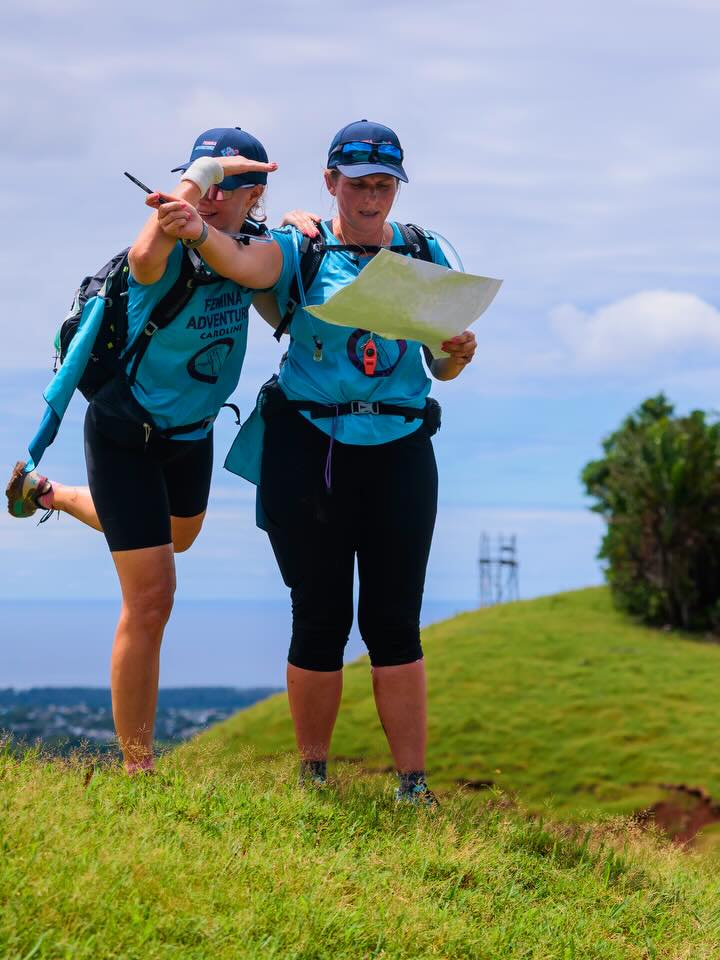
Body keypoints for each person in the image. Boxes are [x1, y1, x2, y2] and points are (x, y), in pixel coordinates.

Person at [4, 128, 278, 773]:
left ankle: (50, 494)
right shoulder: (160, 247)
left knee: (178, 538)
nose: (208, 199)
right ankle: (138, 769)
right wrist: (197, 178)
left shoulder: (251, 249)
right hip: (126, 433)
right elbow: (145, 260)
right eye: (200, 183)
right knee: (152, 596)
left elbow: (278, 262)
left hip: (193, 434)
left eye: (224, 188)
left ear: (253, 195)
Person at [226, 119, 478, 805]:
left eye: (384, 185)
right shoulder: (300, 246)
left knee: (396, 619)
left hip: (399, 451)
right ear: (332, 181)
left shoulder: (427, 253)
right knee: (319, 613)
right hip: (311, 447)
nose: (372, 199)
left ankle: (413, 786)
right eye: (359, 184)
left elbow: (441, 366)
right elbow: (242, 262)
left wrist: (457, 354)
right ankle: (312, 778)